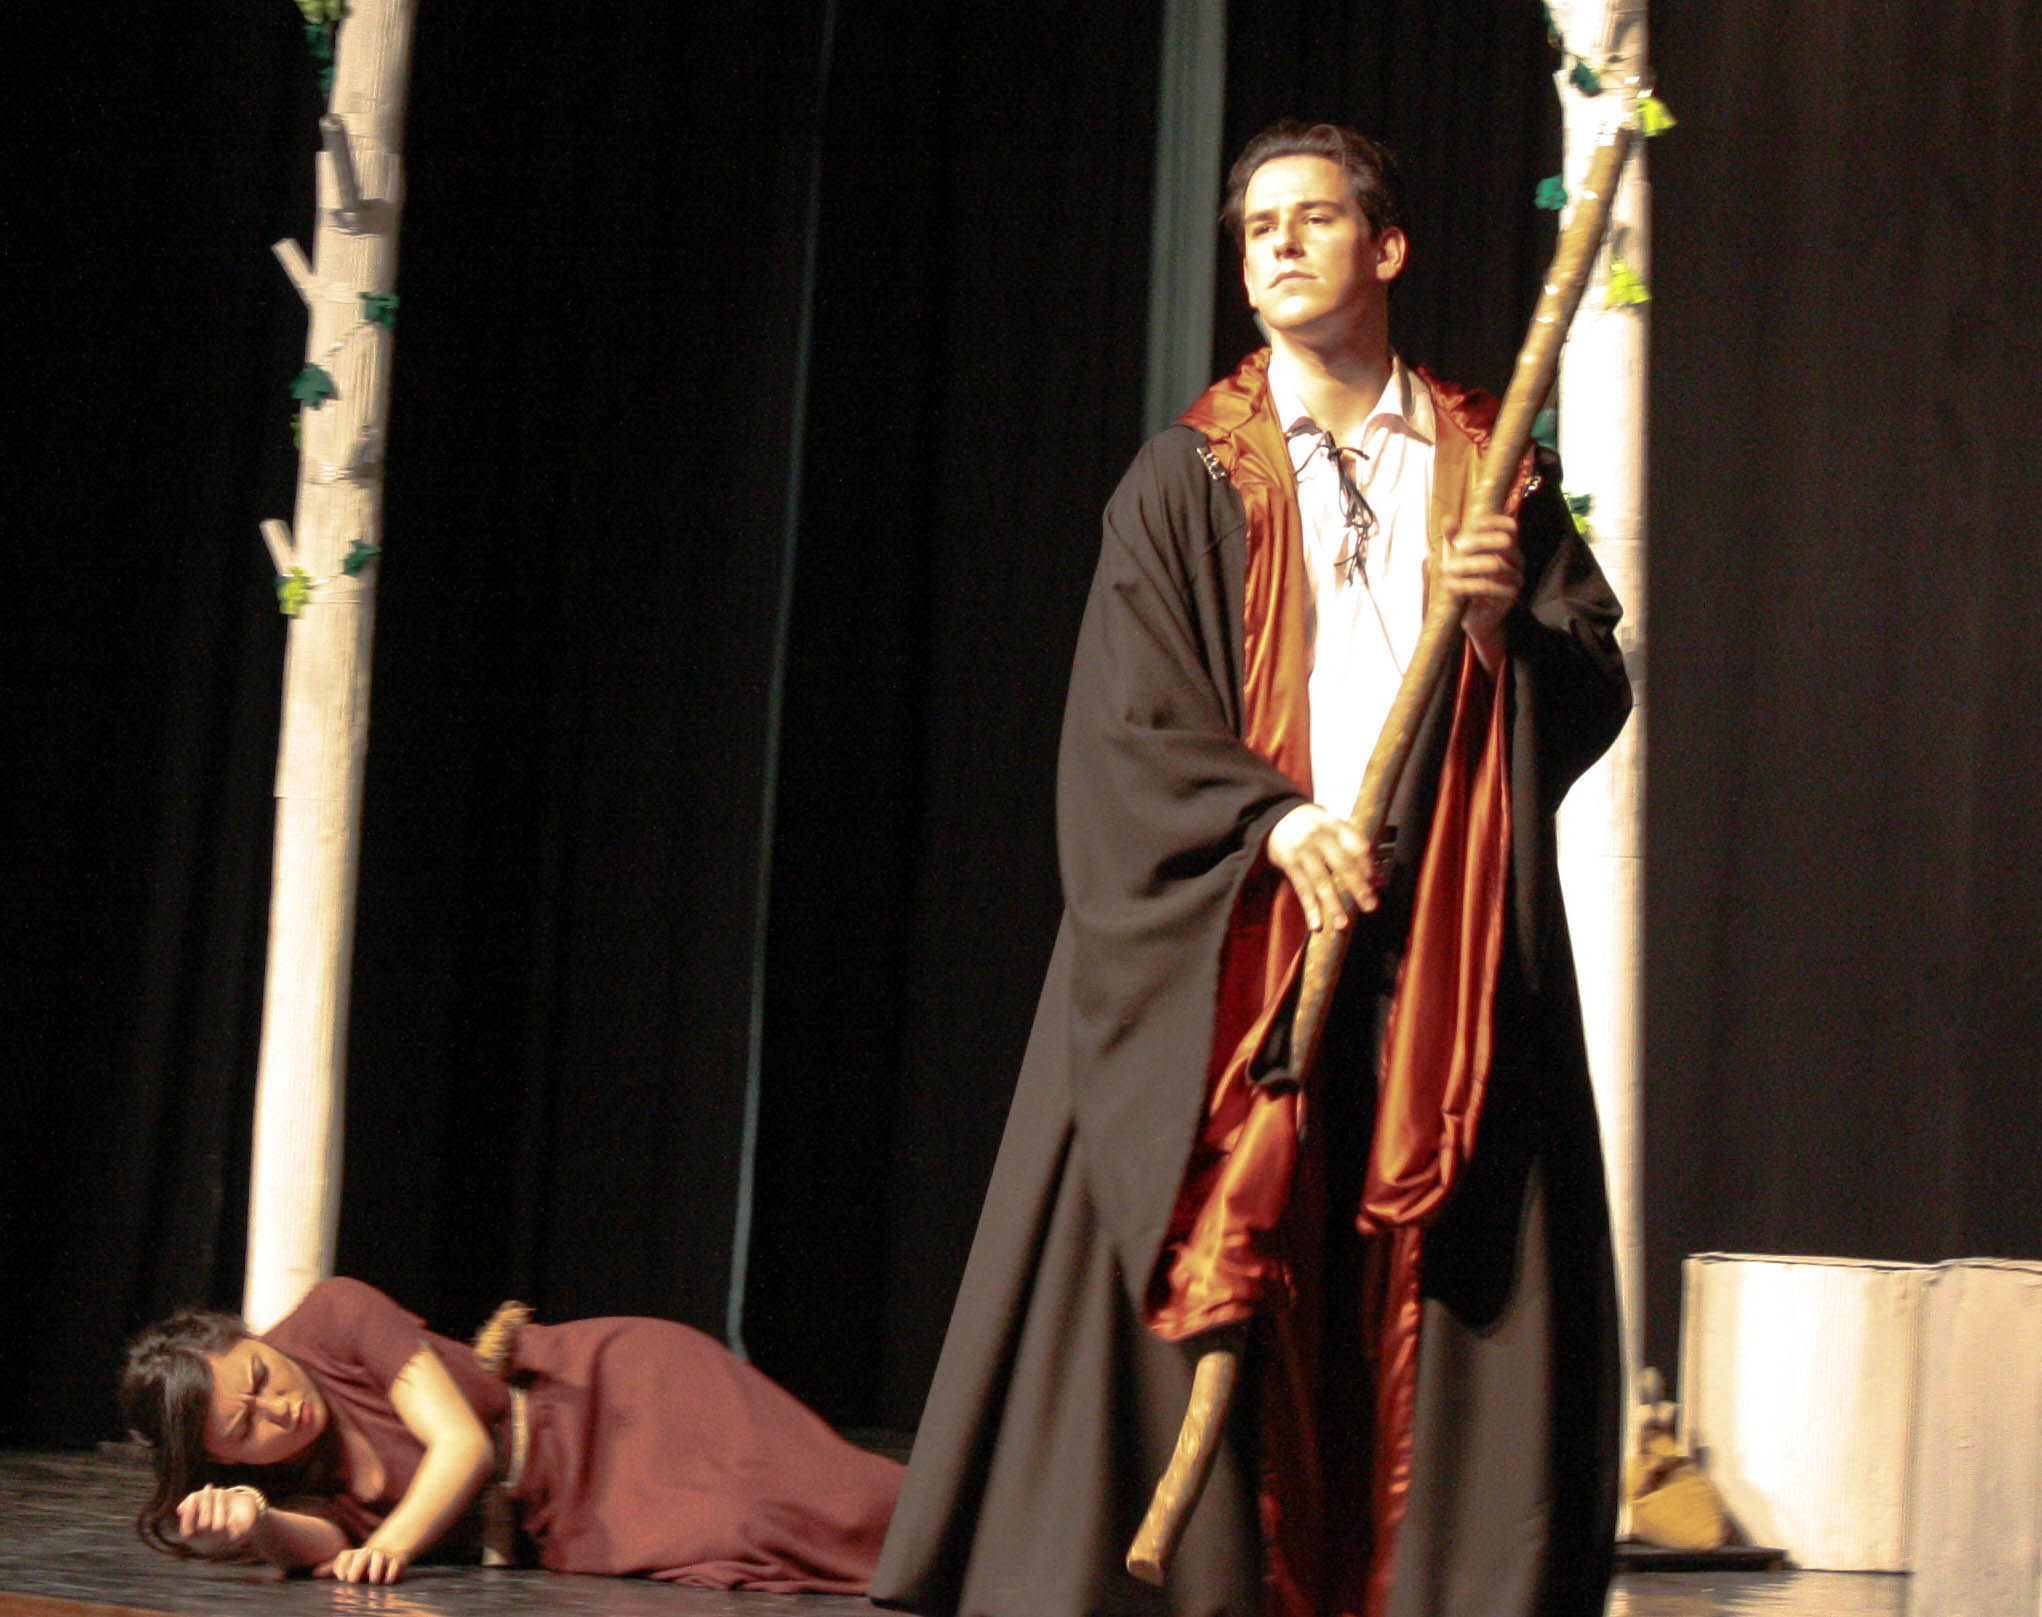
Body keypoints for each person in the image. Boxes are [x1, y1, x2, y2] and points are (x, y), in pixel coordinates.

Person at [871, 122, 1631, 1617]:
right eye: (1255, 227)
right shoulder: (1186, 475)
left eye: (1312, 217)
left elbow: (1587, 677)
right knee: (1221, 1242)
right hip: (1241, 926)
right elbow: (1129, 722)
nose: (1276, 242)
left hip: (1435, 932)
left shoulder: (1488, 465)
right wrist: (1273, 825)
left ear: (1385, 248)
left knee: (1437, 1252)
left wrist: (1499, 632)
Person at [119, 1275, 902, 1589]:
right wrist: (258, 1525)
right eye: (247, 1425)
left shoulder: (333, 1313)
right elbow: (322, 1540)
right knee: (757, 1532)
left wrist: (389, 1547)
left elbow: (462, 1445)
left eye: (262, 1374)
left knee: (838, 1496)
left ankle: (971, 1542)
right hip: (567, 1513)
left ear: (253, 1340)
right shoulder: (272, 1478)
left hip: (608, 1401)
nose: (277, 1406)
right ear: (218, 1455)